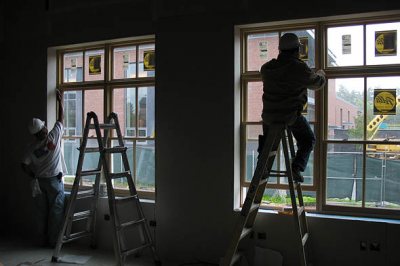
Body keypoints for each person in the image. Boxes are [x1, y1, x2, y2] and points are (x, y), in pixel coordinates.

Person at [259, 33, 326, 183]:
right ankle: (296, 168)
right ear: (297, 50)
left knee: (266, 145)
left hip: (269, 116)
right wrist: (321, 74)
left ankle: (261, 166)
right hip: (290, 116)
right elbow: (316, 83)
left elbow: (266, 73)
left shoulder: (267, 68)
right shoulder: (298, 68)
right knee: (308, 140)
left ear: (280, 50)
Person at [21, 89, 65, 247]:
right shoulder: (53, 136)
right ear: (43, 129)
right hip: (54, 181)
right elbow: (61, 119)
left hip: (39, 182)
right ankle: (53, 242)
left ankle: (41, 240)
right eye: (45, 127)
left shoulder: (31, 148)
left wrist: (32, 175)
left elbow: (23, 165)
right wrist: (61, 101)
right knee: (56, 211)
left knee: (41, 213)